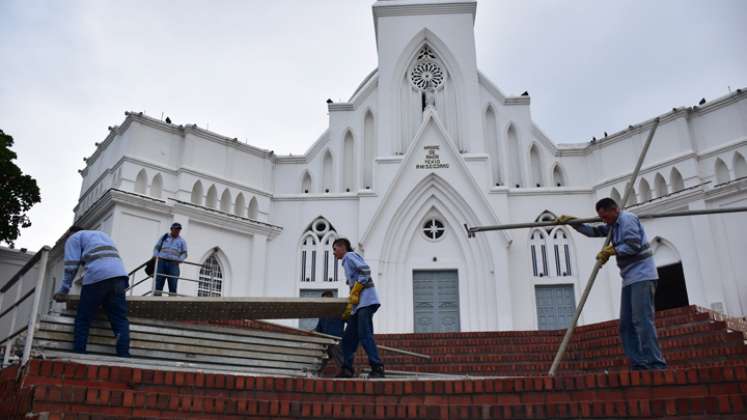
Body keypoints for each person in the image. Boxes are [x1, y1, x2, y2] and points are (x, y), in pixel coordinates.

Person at [559, 197, 667, 370]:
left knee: (642, 321)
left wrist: (613, 250)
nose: (604, 220)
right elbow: (593, 232)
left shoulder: (627, 219)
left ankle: (656, 363)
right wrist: (574, 223)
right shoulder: (613, 225)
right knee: (626, 325)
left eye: (605, 216)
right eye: (601, 217)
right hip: (629, 278)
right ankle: (639, 364)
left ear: (614, 210)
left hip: (643, 276)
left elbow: (633, 245)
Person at [53, 226, 130, 357]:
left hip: (97, 277)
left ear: (70, 234)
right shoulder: (102, 235)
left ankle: (79, 353)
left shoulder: (73, 238)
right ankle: (124, 354)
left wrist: (63, 290)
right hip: (119, 277)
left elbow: (71, 266)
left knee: (84, 317)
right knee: (119, 319)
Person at [332, 238, 385, 378]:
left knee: (364, 334)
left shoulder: (349, 256)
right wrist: (351, 305)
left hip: (366, 302)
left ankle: (377, 367)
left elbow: (366, 271)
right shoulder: (346, 262)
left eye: (335, 249)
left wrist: (357, 288)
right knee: (349, 338)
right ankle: (347, 368)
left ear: (343, 247)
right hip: (359, 306)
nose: (333, 253)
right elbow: (354, 285)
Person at [313, 290, 345, 372]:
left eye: (326, 300)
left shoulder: (339, 310)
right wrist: (312, 332)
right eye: (323, 301)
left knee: (340, 360)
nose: (324, 302)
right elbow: (319, 328)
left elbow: (350, 322)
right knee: (321, 360)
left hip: (336, 341)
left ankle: (346, 373)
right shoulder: (322, 313)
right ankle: (316, 374)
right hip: (325, 341)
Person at [153, 222, 188, 296]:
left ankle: (172, 300)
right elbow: (156, 248)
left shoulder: (182, 241)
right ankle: (156, 299)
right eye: (176, 229)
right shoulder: (164, 237)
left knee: (173, 284)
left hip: (173, 264)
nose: (177, 231)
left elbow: (184, 253)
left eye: (179, 230)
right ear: (171, 229)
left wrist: (180, 260)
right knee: (159, 282)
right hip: (161, 262)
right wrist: (156, 256)